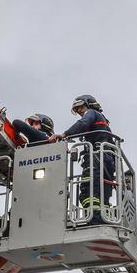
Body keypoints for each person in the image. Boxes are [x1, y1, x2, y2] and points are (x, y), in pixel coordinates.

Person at [48, 95, 116, 224]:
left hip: (96, 157)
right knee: (102, 191)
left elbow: (83, 123)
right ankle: (102, 216)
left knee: (88, 190)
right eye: (77, 109)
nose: (79, 110)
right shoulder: (104, 123)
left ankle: (94, 216)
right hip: (107, 159)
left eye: (80, 107)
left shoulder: (91, 113)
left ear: (89, 104)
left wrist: (64, 135)